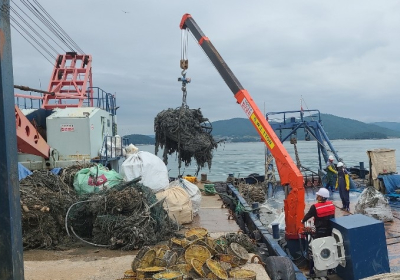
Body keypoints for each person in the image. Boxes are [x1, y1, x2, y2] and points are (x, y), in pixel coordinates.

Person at [301, 187, 335, 277]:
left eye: (318, 195)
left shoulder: (315, 207)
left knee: (315, 250)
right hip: (329, 231)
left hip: (319, 232)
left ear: (321, 197)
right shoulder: (331, 205)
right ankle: (330, 270)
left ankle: (312, 272)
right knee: (329, 249)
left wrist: (301, 222)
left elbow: (307, 217)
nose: (317, 196)